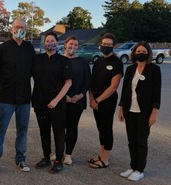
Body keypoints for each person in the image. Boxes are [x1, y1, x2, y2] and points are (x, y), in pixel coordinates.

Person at [0, 18, 34, 175]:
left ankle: (20, 159)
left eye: (22, 27)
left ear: (26, 29)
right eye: (17, 27)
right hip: (7, 98)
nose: (19, 29)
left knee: (22, 130)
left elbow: (35, 72)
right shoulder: (2, 49)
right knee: (0, 130)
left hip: (24, 99)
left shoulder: (29, 49)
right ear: (11, 29)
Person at [118, 42, 161, 181]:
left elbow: (156, 92)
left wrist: (154, 112)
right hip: (130, 110)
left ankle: (140, 169)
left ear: (148, 53)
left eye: (143, 51)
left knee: (141, 141)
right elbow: (125, 90)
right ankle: (132, 167)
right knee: (132, 140)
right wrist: (121, 108)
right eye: (138, 51)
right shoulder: (130, 69)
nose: (140, 53)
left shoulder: (154, 69)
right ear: (134, 53)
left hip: (145, 112)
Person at [33, 32, 73, 173]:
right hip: (39, 102)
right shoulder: (37, 59)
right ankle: (46, 157)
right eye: (47, 40)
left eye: (52, 40)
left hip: (57, 104)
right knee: (44, 132)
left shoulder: (64, 61)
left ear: (57, 43)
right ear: (44, 44)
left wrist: (56, 100)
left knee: (58, 132)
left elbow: (68, 83)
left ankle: (58, 160)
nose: (50, 43)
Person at [88, 33, 123, 168]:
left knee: (106, 128)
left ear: (113, 46)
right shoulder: (98, 61)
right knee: (100, 128)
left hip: (106, 101)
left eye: (109, 45)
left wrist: (98, 101)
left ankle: (105, 159)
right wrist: (92, 99)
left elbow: (113, 87)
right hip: (95, 100)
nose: (106, 47)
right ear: (100, 45)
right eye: (104, 44)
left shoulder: (117, 63)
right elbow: (92, 82)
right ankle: (101, 155)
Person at [61, 36, 91, 165]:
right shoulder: (59, 60)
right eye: (71, 44)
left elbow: (87, 80)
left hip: (77, 101)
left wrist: (81, 95)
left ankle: (68, 154)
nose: (73, 46)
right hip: (61, 100)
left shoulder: (82, 62)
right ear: (65, 44)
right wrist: (63, 96)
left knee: (72, 127)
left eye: (76, 45)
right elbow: (54, 80)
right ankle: (59, 152)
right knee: (60, 127)